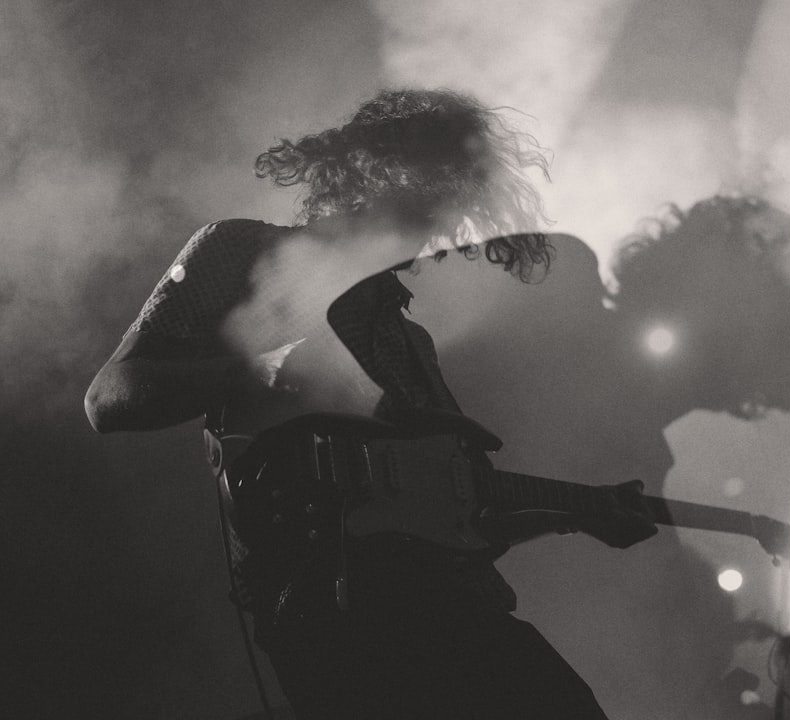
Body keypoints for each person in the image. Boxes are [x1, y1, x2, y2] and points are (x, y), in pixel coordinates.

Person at [85, 88, 657, 719]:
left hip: (463, 614)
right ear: (375, 176)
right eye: (427, 202)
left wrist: (580, 513)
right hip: (338, 619)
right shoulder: (240, 251)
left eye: (450, 209)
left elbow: (462, 515)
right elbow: (109, 399)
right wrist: (265, 371)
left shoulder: (410, 339)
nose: (438, 229)